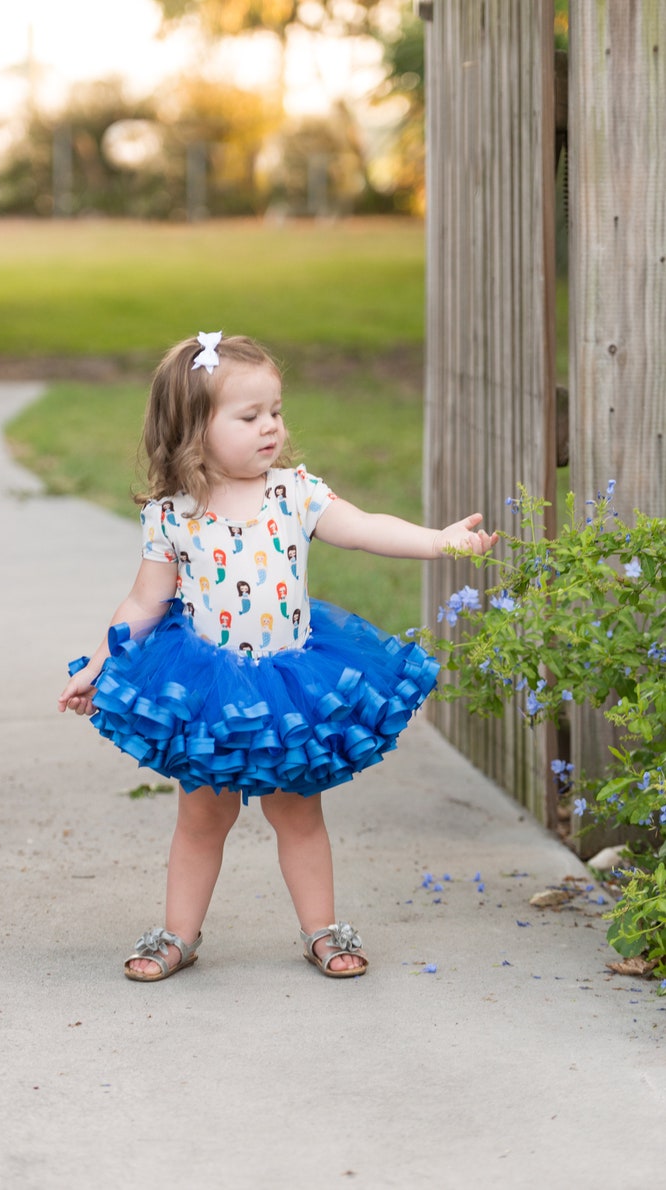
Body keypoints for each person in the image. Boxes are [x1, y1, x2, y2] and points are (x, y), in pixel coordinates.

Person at [58, 331, 497, 982]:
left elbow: (365, 526)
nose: (271, 427)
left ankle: (322, 930)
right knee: (204, 815)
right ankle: (178, 935)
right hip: (206, 691)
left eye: (276, 410)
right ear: (192, 429)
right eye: (249, 415)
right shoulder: (173, 515)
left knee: (297, 812)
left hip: (292, 688)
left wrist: (438, 542)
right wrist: (97, 664)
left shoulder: (294, 492)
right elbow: (144, 603)